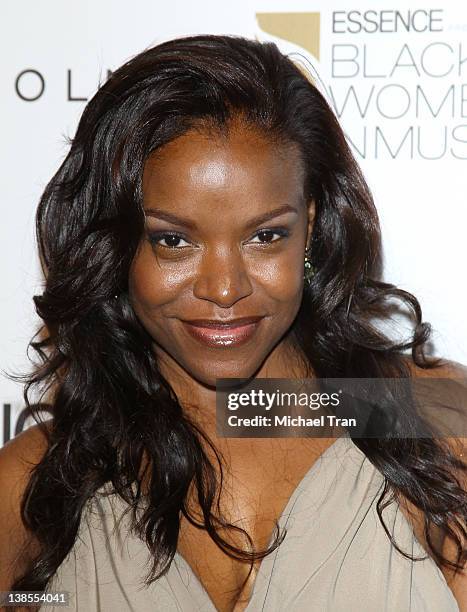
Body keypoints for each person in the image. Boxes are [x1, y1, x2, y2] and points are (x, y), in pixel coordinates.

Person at [0, 34, 466, 612]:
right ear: (114, 246)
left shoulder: (435, 418)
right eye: (173, 240)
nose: (224, 288)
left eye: (265, 235)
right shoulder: (38, 482)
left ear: (311, 226)